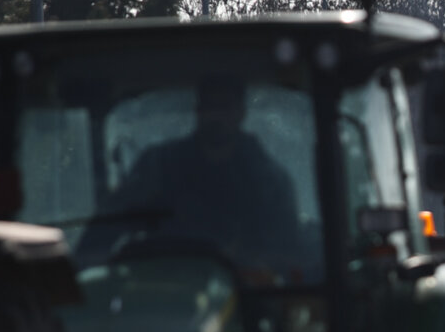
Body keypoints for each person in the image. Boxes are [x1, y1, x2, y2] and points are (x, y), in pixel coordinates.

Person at [103, 78, 302, 278]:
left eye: (224, 107)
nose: (215, 116)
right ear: (198, 110)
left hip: (248, 292)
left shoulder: (269, 181)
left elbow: (288, 255)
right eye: (209, 106)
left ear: (240, 112)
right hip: (167, 287)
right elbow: (106, 230)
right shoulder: (158, 167)